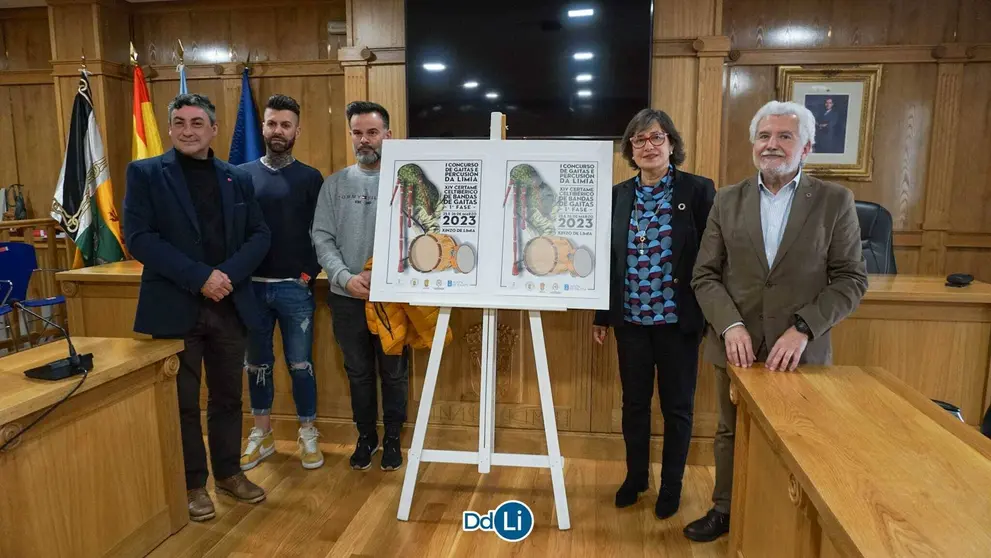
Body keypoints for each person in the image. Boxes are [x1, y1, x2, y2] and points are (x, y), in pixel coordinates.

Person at [686, 100, 868, 542]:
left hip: (800, 348)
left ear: (806, 147)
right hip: (736, 344)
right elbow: (705, 274)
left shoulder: (833, 201)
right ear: (754, 144)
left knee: (800, 439)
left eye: (784, 136)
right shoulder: (728, 200)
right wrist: (730, 325)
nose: (772, 145)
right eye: (764, 136)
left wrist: (804, 328)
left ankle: (788, 528)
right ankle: (725, 509)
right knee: (731, 432)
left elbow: (850, 278)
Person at [123, 93, 271, 522]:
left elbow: (260, 235)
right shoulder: (146, 173)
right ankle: (192, 484)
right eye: (180, 122)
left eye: (197, 123)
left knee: (227, 396)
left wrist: (224, 276)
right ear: (169, 128)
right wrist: (200, 277)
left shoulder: (237, 178)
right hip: (175, 304)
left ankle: (228, 473)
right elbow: (140, 238)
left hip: (228, 304)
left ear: (214, 129)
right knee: (182, 402)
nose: (188, 130)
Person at [592, 109, 715, 519]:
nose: (648, 146)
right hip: (631, 321)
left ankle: (672, 486)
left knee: (677, 407)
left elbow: (712, 259)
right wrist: (601, 316)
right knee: (634, 405)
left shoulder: (698, 191)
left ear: (672, 145)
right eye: (639, 140)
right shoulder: (617, 195)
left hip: (678, 323)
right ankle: (636, 477)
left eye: (656, 138)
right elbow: (607, 259)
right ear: (629, 149)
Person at [311, 100, 408, 471]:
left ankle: (394, 438)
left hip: (393, 299)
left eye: (372, 132)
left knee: (394, 372)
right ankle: (366, 437)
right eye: (357, 133)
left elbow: (421, 237)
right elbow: (321, 238)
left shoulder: (407, 181)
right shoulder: (334, 185)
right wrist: (345, 278)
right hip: (347, 296)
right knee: (358, 371)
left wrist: (387, 278)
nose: (364, 140)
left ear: (388, 135)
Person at [237, 94, 325, 471]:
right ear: (263, 127)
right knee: (257, 365)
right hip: (251, 288)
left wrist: (308, 275)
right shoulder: (240, 175)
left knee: (301, 364)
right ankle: (264, 434)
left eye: (285, 125)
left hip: (295, 287)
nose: (278, 131)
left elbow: (321, 232)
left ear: (297, 130)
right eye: (272, 123)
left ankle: (307, 432)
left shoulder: (310, 178)